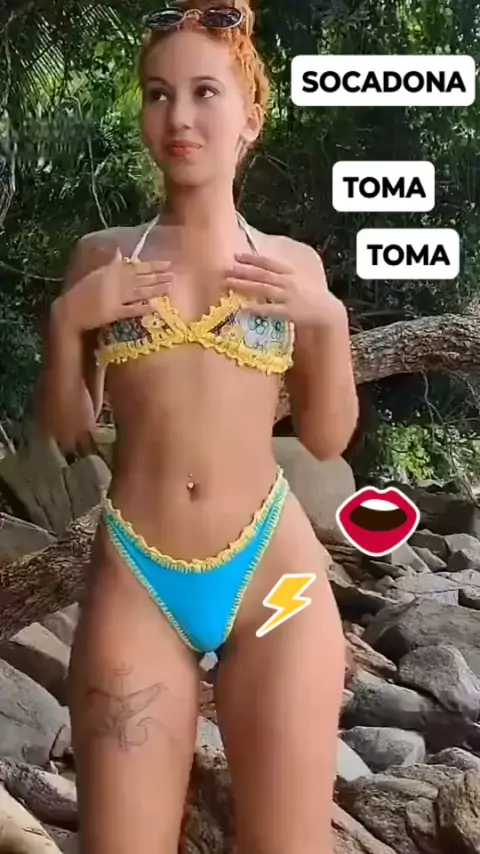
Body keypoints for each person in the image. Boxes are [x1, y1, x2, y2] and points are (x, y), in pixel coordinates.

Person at [36, 2, 358, 852]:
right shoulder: (103, 257)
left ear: (250, 118)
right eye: (158, 93)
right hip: (138, 578)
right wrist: (68, 323)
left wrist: (327, 322)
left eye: (204, 92)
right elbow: (68, 433)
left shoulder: (292, 265)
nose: (178, 115)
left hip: (278, 585)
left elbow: (327, 439)